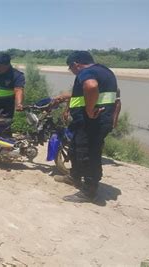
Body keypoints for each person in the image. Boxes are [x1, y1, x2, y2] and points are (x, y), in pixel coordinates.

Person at [53, 51, 118, 203]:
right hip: (89, 122)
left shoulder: (86, 72)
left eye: (70, 68)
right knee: (75, 149)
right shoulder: (105, 71)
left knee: (88, 155)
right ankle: (74, 176)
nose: (72, 71)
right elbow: (91, 92)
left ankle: (89, 191)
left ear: (76, 64)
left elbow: (91, 86)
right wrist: (65, 96)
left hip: (92, 122)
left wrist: (89, 109)